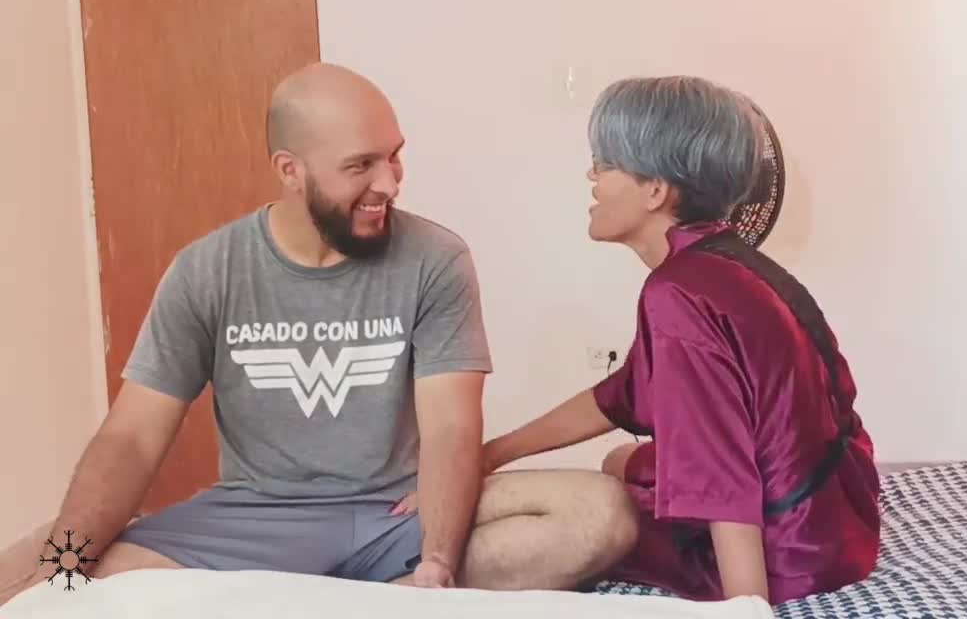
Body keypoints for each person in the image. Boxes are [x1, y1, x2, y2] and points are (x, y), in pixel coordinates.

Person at [0, 63, 636, 607]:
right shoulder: (208, 270)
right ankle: (337, 598)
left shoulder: (435, 260)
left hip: (396, 517)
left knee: (598, 514)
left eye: (393, 156)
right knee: (52, 562)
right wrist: (63, 574)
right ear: (291, 170)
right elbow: (133, 437)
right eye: (360, 165)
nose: (388, 182)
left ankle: (323, 598)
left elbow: (450, 428)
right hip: (253, 522)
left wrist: (437, 564)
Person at [481, 76, 882, 605]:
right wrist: (493, 453)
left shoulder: (677, 295)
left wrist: (745, 606)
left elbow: (720, 470)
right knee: (620, 460)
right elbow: (622, 395)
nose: (591, 176)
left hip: (786, 558)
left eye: (605, 163)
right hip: (842, 529)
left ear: (656, 190)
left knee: (605, 506)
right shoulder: (735, 266)